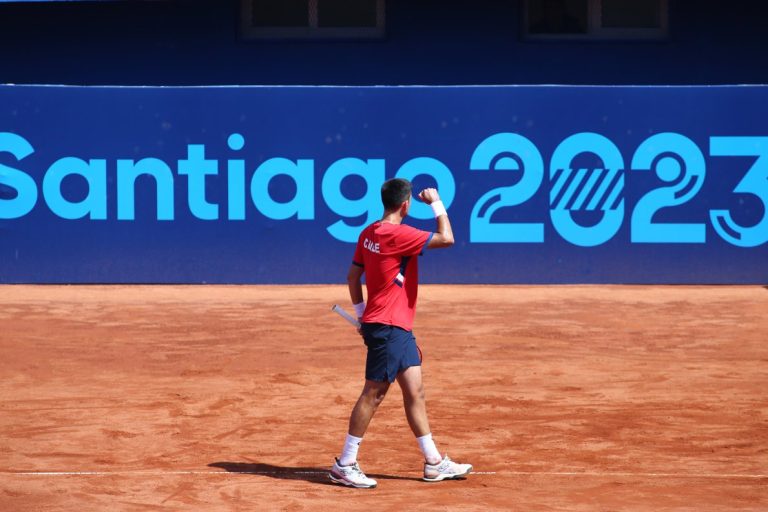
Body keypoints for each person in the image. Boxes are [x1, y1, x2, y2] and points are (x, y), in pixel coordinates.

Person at [329, 178, 472, 488]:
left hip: (394, 327)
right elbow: (447, 238)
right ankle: (345, 462)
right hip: (390, 328)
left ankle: (434, 462)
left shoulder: (368, 233)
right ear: (406, 205)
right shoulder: (400, 235)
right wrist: (436, 203)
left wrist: (361, 314)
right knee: (373, 394)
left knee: (414, 391)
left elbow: (353, 275)